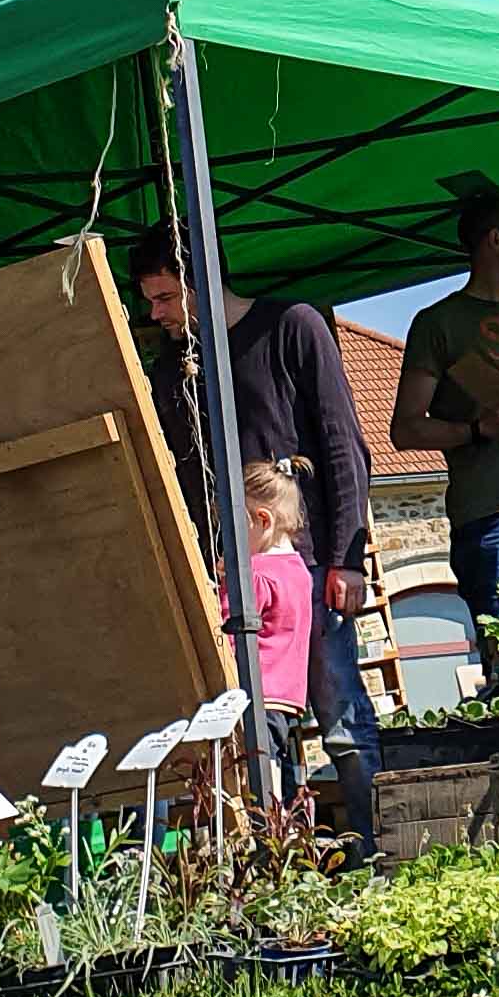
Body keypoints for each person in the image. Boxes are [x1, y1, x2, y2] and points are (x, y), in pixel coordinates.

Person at [130, 226, 382, 857]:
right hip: (228, 580)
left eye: (164, 298)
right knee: (256, 730)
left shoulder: (291, 327)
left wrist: (347, 559)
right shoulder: (177, 367)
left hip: (305, 569)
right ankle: (283, 856)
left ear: (199, 282)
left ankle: (382, 844)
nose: (156, 314)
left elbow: (344, 445)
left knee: (341, 715)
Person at [390, 192, 499, 677]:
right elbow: (405, 429)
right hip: (488, 515)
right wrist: (477, 429)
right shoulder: (437, 324)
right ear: (495, 239)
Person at [243, 462, 317, 764]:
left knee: (254, 776)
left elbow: (225, 629)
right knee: (275, 768)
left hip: (256, 694)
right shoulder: (300, 571)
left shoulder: (256, 573)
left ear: (263, 520)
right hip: (287, 697)